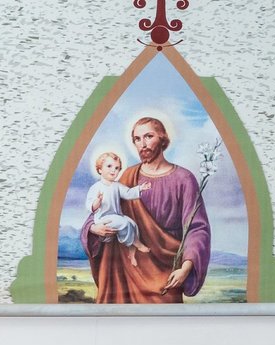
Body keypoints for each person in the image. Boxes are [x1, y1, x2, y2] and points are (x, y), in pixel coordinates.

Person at [82, 115, 212, 304]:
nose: (142, 143)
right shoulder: (127, 177)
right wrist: (93, 229)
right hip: (125, 274)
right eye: (137, 139)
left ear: (162, 138)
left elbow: (197, 228)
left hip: (166, 273)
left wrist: (186, 267)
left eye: (148, 136)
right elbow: (100, 211)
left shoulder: (184, 179)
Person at [85, 150, 153, 267]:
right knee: (124, 223)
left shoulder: (116, 186)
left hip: (116, 216)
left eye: (117, 168)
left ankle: (132, 254)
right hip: (104, 219)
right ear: (100, 169)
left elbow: (128, 193)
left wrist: (140, 188)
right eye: (109, 166)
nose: (113, 170)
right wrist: (97, 201)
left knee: (132, 224)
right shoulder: (96, 187)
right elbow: (90, 206)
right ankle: (137, 244)